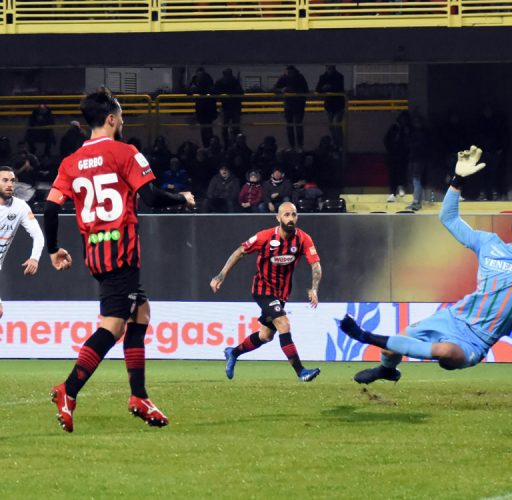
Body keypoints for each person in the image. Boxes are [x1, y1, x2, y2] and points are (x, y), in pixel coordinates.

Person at [340, 147, 512, 383]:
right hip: (452, 318)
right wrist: (458, 179)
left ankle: (365, 337)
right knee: (392, 347)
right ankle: (386, 370)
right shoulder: (489, 244)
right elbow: (448, 218)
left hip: (478, 339)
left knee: (446, 352)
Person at [44, 89, 196, 433]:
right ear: (111, 119)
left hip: (96, 252)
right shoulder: (126, 153)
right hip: (122, 253)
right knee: (113, 325)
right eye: (122, 116)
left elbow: (51, 208)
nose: (123, 121)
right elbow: (153, 197)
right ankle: (68, 390)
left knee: (140, 313)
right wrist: (182, 198)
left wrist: (53, 250)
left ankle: (138, 395)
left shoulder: (70, 162)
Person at [210, 201, 322, 382]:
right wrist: (221, 275)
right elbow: (240, 251)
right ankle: (301, 371)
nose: (290, 218)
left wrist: (314, 288)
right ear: (278, 218)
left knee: (266, 335)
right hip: (263, 289)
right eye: (286, 214)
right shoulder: (265, 237)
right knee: (283, 323)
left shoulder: (303, 239)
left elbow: (315, 265)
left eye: (293, 214)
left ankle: (233, 352)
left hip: (282, 293)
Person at [0, 165, 44, 319]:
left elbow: (38, 235)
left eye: (12, 180)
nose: (10, 184)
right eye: (5, 180)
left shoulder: (20, 207)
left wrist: (34, 258)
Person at [273, 66, 309, 152]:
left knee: (298, 125)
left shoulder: (300, 78)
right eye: (288, 72)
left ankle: (300, 146)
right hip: (288, 105)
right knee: (289, 126)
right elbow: (274, 89)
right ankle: (292, 146)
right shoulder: (284, 78)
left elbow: (306, 90)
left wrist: (295, 91)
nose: (290, 74)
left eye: (291, 72)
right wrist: (282, 90)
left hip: (298, 105)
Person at [315, 65, 346, 149]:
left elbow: (340, 88)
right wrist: (323, 88)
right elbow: (317, 89)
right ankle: (337, 144)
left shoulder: (339, 76)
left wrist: (329, 87)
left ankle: (340, 145)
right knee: (332, 127)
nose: (330, 69)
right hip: (329, 105)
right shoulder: (323, 77)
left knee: (336, 125)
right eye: (328, 68)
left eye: (331, 68)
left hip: (338, 104)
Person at [214, 68, 245, 150]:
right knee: (225, 128)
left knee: (235, 128)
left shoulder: (234, 81)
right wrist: (223, 96)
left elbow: (241, 92)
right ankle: (227, 145)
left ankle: (236, 144)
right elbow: (215, 92)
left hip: (233, 106)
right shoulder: (221, 82)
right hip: (227, 107)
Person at [188, 67, 217, 148]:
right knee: (204, 129)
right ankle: (207, 146)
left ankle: (210, 146)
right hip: (202, 108)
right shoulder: (196, 80)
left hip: (208, 108)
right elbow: (189, 91)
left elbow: (211, 90)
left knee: (207, 129)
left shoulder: (207, 80)